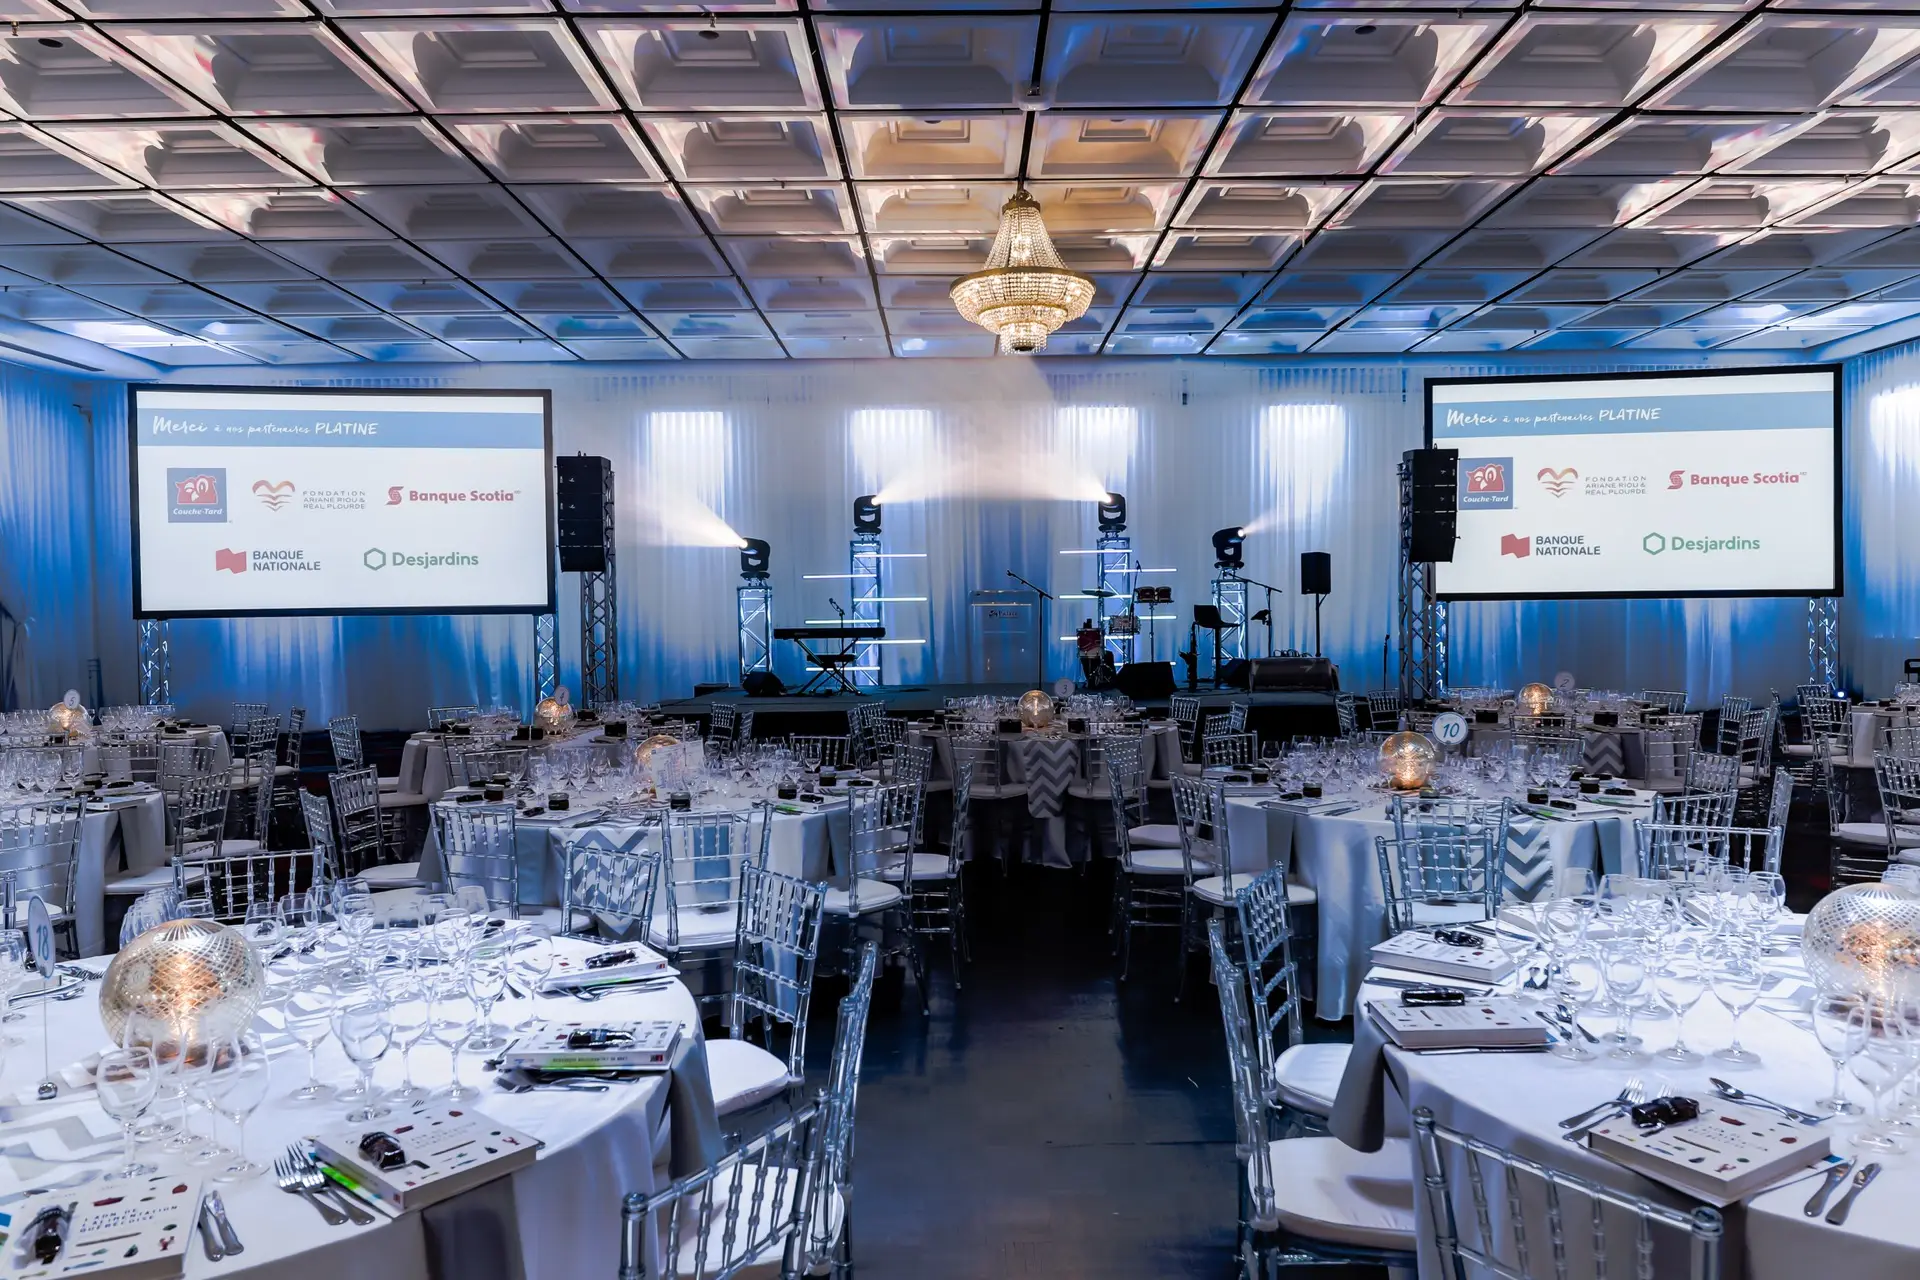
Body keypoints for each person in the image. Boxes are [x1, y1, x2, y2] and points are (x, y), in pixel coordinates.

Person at [1076, 618, 1104, 685]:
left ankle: (1091, 681)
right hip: (1092, 654)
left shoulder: (1082, 634)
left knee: (1087, 664)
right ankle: (1092, 681)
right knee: (1090, 664)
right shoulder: (1093, 634)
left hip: (1089, 654)